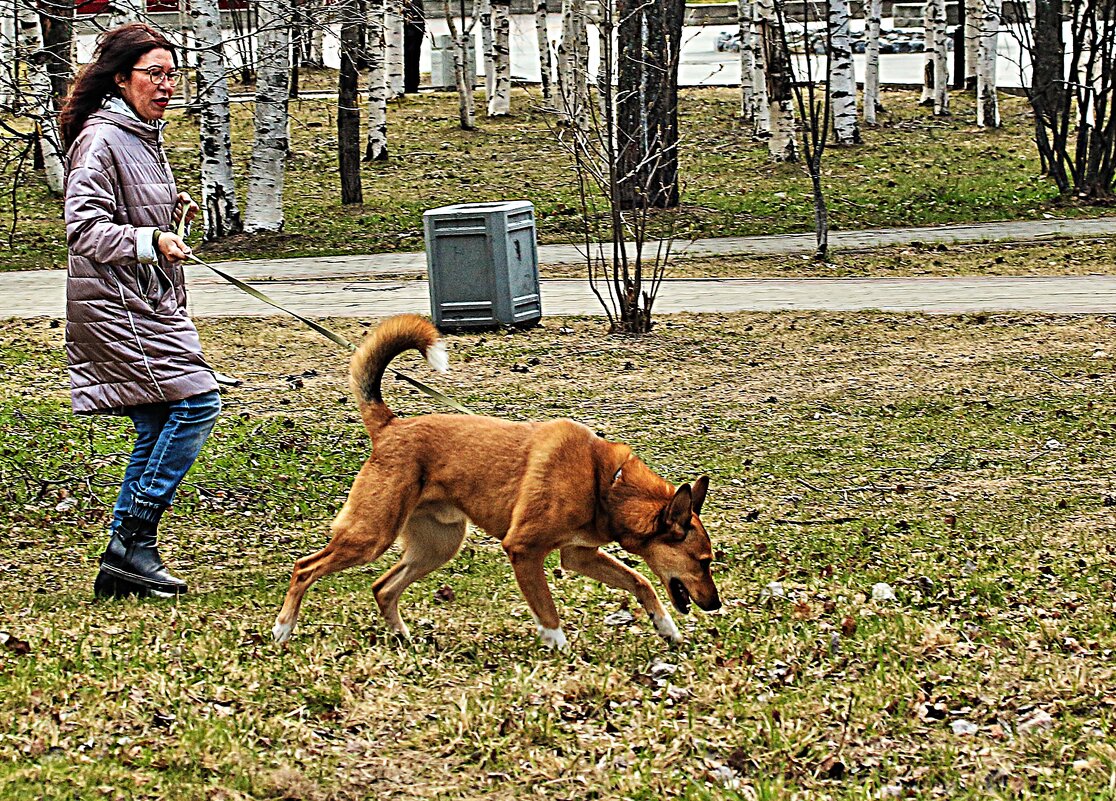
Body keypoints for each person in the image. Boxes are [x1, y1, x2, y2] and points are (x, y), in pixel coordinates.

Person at [59, 23, 219, 599]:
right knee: (198, 402)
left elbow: (125, 207)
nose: (167, 84)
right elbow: (84, 228)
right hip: (118, 306)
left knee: (156, 421)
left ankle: (123, 560)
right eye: (155, 73)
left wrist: (170, 211)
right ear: (122, 77)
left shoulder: (140, 133)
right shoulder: (103, 138)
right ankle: (134, 540)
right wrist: (151, 242)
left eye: (172, 73)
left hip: (145, 298)